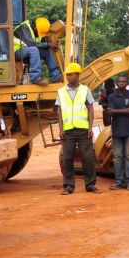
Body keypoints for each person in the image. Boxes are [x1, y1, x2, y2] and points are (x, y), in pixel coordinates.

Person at [54, 62, 100, 195]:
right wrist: (61, 129)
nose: (68, 77)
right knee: (67, 158)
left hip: (83, 130)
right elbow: (59, 111)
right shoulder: (61, 92)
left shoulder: (85, 90)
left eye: (70, 74)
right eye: (67, 75)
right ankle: (68, 186)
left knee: (88, 158)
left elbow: (90, 109)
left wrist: (90, 127)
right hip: (68, 131)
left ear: (77, 75)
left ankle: (90, 185)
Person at [106, 75, 129, 190]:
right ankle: (119, 181)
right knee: (117, 157)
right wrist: (128, 111)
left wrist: (115, 111)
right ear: (116, 83)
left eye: (124, 82)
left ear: (127, 83)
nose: (122, 83)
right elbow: (112, 113)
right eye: (120, 81)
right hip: (117, 130)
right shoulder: (111, 96)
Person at [14, 17, 62, 85]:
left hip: (27, 52)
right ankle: (35, 78)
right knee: (34, 50)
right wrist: (48, 44)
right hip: (16, 52)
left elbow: (39, 43)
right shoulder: (24, 28)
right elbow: (31, 44)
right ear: (34, 27)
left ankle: (55, 76)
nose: (38, 35)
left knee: (46, 51)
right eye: (38, 32)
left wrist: (49, 43)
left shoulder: (35, 31)